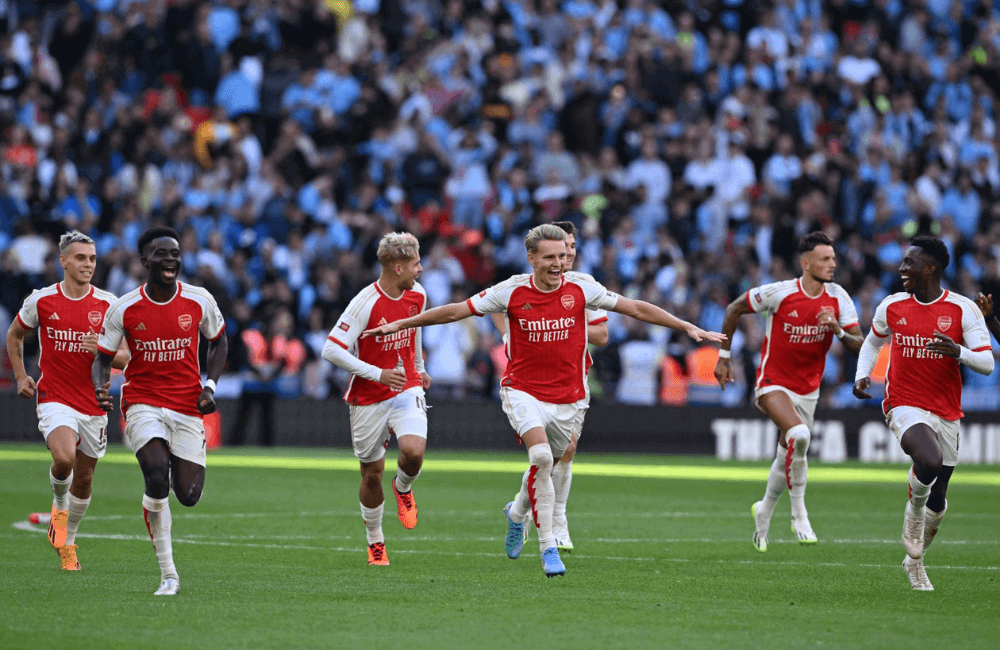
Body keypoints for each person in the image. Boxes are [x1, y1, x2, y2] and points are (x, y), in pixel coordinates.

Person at [362, 224, 725, 577]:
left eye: (563, 256)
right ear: (532, 258)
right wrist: (403, 325)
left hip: (570, 397)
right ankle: (549, 547)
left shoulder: (582, 287)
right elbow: (458, 309)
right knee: (539, 457)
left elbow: (635, 308)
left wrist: (685, 326)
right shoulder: (511, 291)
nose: (558, 264)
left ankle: (517, 513)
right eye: (549, 257)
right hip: (523, 390)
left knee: (548, 465)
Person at [93, 226, 228, 596]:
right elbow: (102, 358)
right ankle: (169, 575)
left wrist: (209, 386)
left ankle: (170, 474)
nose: (170, 260)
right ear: (144, 261)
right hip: (143, 401)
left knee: (187, 495)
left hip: (186, 405)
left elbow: (219, 342)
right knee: (155, 474)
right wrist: (100, 387)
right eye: (161, 254)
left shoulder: (199, 300)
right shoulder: (124, 307)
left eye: (175, 254)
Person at [853, 236, 993, 591]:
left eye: (909, 263)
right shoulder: (892, 306)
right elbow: (873, 341)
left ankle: (914, 562)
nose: (902, 269)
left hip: (946, 409)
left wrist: (957, 351)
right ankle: (912, 515)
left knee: (940, 496)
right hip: (903, 401)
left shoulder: (963, 309)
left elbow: (988, 363)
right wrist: (862, 374)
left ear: (930, 268)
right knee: (927, 461)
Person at [715, 232, 863, 552]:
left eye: (833, 258)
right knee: (800, 435)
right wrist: (724, 357)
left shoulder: (839, 298)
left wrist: (836, 329)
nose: (832, 264)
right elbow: (734, 308)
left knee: (789, 450)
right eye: (824, 259)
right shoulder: (780, 293)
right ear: (805, 263)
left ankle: (764, 511)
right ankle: (799, 515)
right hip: (773, 383)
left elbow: (860, 346)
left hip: (808, 390)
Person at [6, 230, 126, 571]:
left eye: (91, 259)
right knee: (64, 458)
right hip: (54, 396)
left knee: (85, 479)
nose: (88, 264)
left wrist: (103, 351)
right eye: (80, 258)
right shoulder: (42, 300)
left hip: (94, 402)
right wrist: (19, 376)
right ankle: (59, 505)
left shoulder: (108, 304)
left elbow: (127, 357)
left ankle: (67, 541)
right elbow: (15, 334)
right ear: (63, 261)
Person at [490, 220, 608, 552]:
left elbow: (602, 335)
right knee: (549, 454)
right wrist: (510, 335)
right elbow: (495, 306)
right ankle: (557, 522)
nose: (567, 254)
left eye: (571, 248)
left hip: (573, 378)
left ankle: (518, 509)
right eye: (561, 248)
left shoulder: (584, 286)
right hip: (532, 381)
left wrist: (564, 321)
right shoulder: (523, 287)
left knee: (557, 456)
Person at [321, 232, 432, 567]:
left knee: (413, 453)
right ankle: (375, 542)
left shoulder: (418, 295)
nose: (421, 269)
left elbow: (415, 332)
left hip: (406, 386)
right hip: (368, 395)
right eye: (415, 264)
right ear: (397, 268)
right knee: (371, 474)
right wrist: (377, 373)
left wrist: (420, 367)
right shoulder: (364, 303)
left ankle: (403, 487)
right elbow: (330, 349)